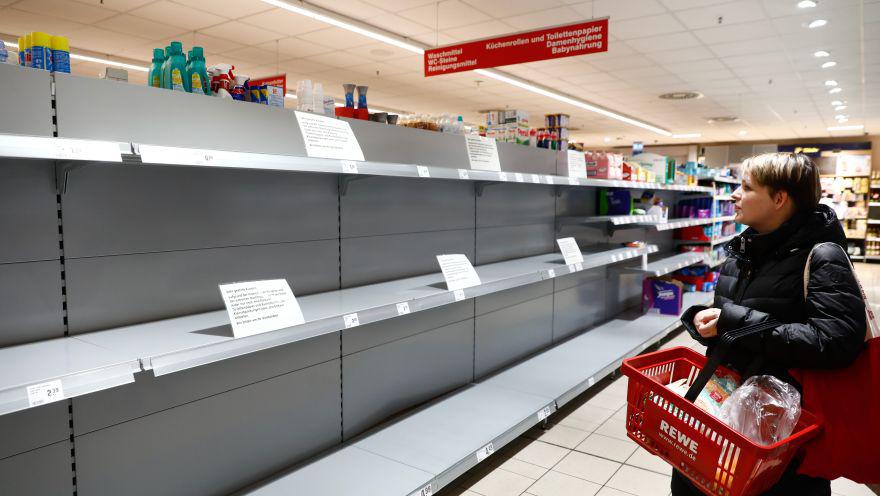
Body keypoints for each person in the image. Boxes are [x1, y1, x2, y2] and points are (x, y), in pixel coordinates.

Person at [672, 153, 867, 496]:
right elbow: (744, 324)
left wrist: (733, 320)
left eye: (746, 187)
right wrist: (711, 322)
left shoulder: (822, 256)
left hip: (782, 438)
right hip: (724, 413)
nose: (734, 194)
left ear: (779, 199)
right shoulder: (742, 252)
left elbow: (835, 341)